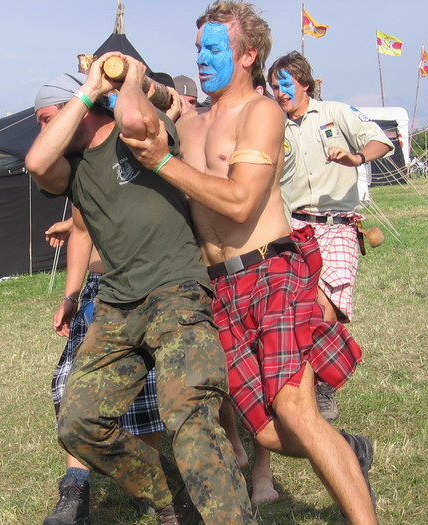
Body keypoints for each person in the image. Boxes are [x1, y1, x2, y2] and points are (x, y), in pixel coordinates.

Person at [120, 2, 377, 523]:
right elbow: (143, 108)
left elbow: (239, 201)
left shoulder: (261, 112)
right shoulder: (191, 117)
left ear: (247, 55)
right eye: (198, 48)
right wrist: (129, 77)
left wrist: (163, 161)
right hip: (220, 288)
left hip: (270, 272)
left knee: (295, 409)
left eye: (214, 49)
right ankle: (347, 450)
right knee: (267, 431)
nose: (201, 58)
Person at [25, 57, 255, 524]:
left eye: (48, 119)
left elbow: (132, 119)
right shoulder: (71, 171)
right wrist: (87, 91)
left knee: (189, 416)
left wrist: (127, 78)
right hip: (116, 305)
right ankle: (176, 498)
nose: (45, 131)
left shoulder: (142, 130)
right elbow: (36, 161)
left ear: (81, 109)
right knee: (78, 423)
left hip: (176, 291)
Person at [267, 51, 393, 421]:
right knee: (303, 309)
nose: (279, 92)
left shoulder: (335, 113)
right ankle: (303, 385)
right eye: (274, 86)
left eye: (285, 84)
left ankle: (324, 385)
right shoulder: (274, 126)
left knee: (328, 311)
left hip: (338, 226)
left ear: (304, 83)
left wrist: (355, 158)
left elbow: (380, 141)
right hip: (294, 228)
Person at [42, 210, 163, 525]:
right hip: (101, 285)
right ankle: (75, 491)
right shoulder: (87, 177)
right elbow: (88, 219)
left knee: (146, 390)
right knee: (72, 384)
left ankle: (146, 481)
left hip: (151, 281)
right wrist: (70, 296)